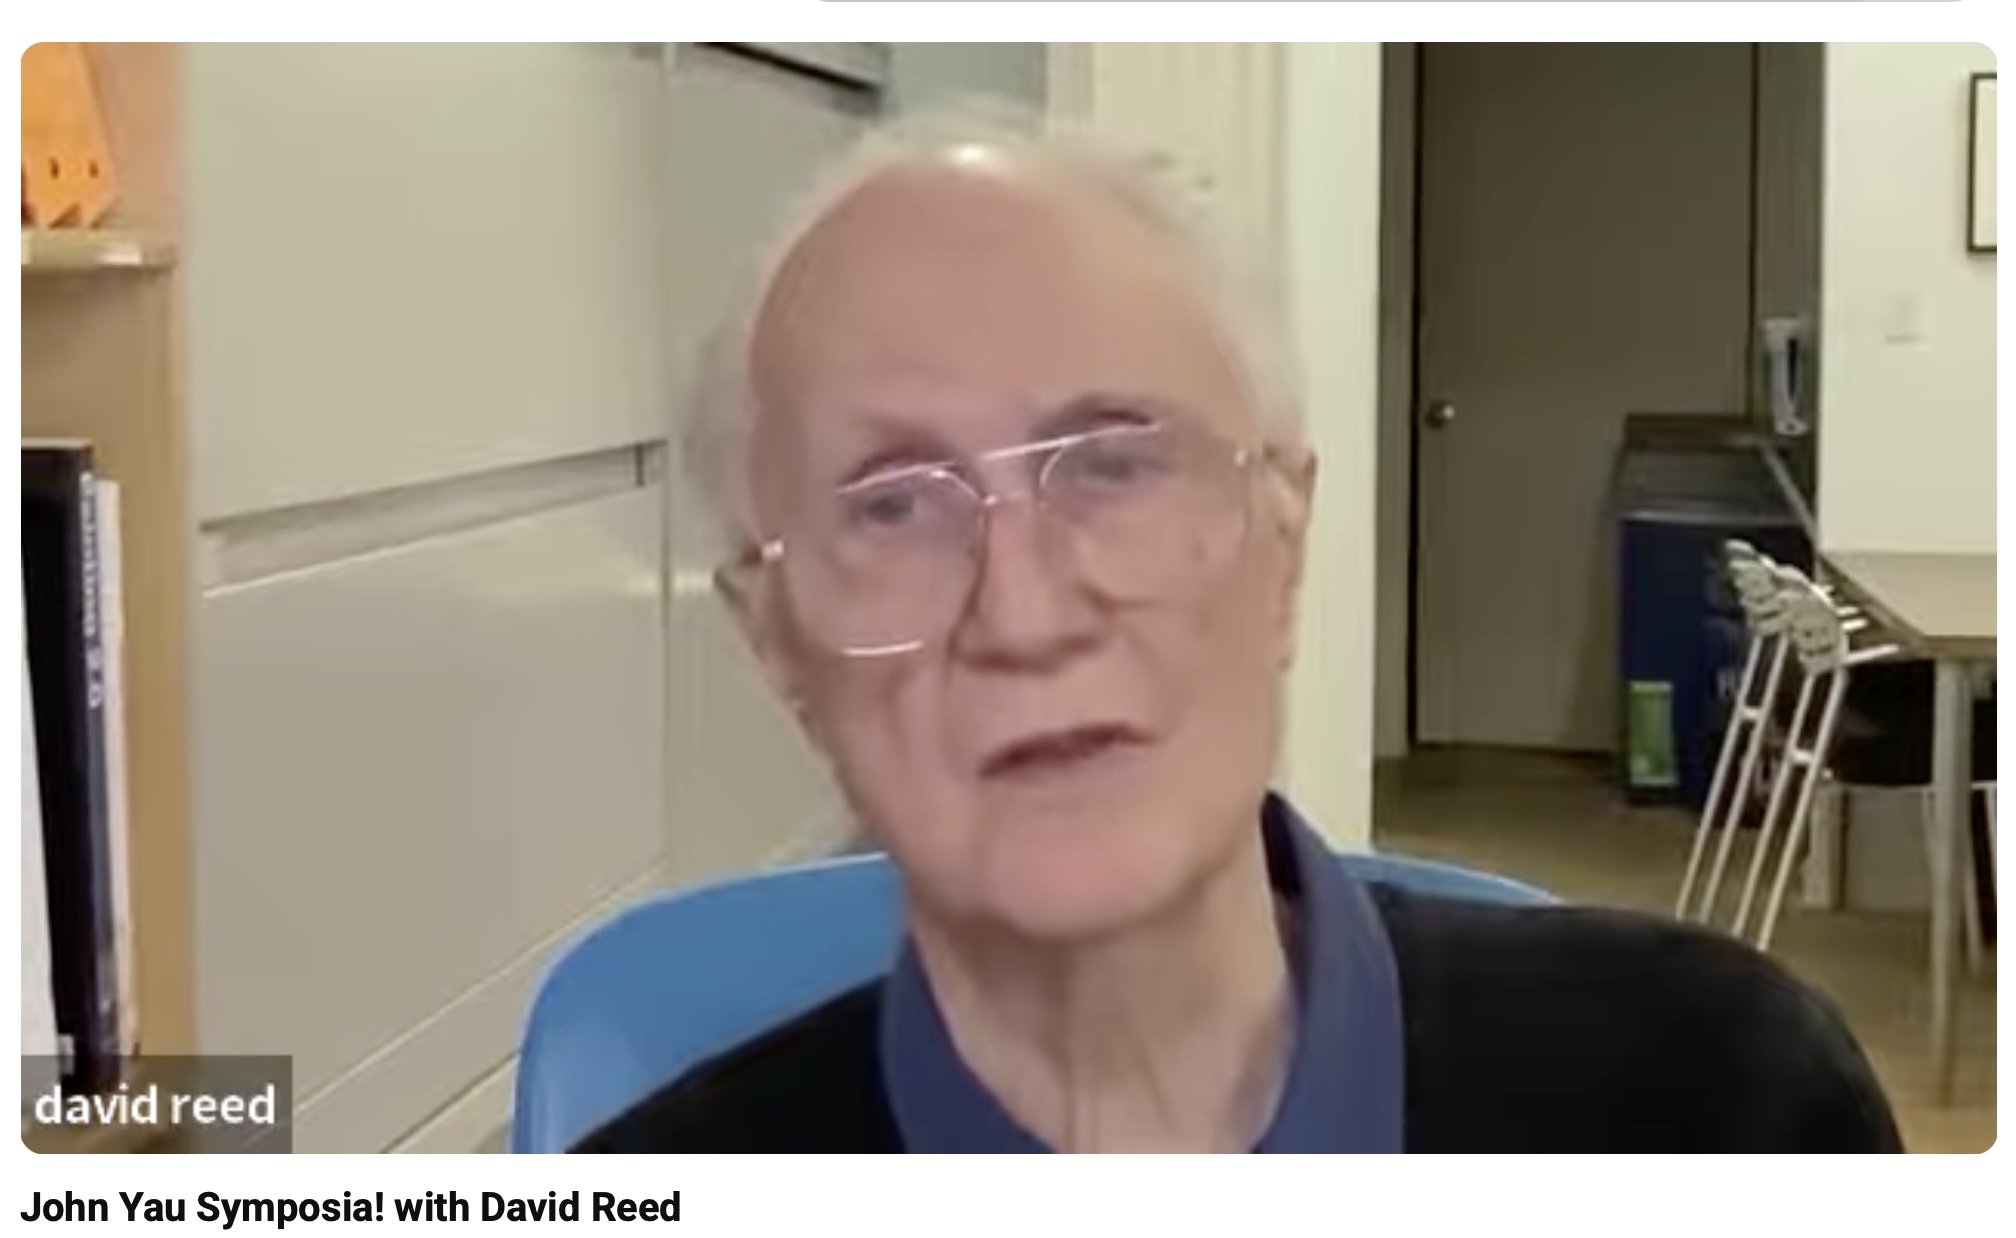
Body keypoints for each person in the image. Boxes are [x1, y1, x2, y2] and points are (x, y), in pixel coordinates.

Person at [578, 110, 1900, 1153]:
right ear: (777, 647)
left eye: (1113, 463)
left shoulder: (1726, 1111)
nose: (1025, 614)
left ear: (1283, 543)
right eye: (893, 506)